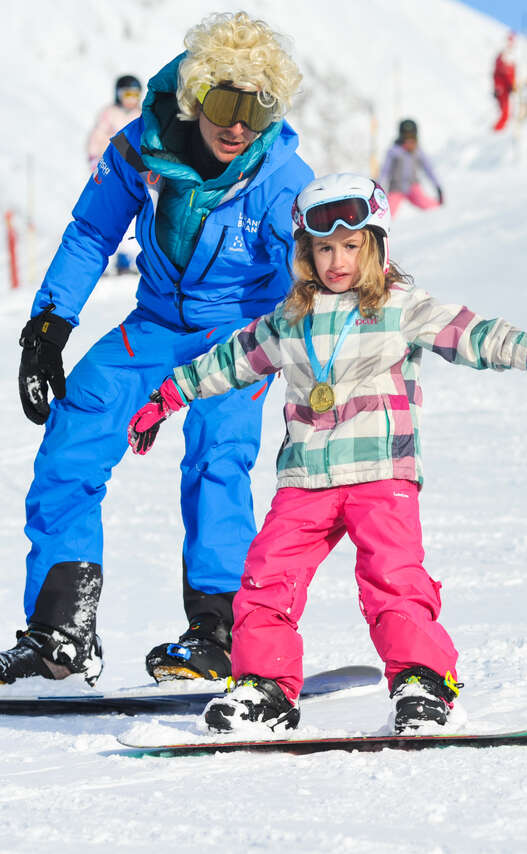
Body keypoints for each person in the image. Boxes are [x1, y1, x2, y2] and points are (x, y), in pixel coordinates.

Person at [127, 173, 527, 735]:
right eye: (324, 248)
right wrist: (167, 396)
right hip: (305, 477)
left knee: (392, 578)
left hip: (380, 472)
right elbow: (229, 360)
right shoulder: (289, 320)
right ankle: (263, 688)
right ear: (306, 253)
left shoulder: (401, 307)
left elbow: (476, 335)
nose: (338, 261)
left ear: (374, 245)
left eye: (350, 246)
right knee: (266, 576)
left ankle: (423, 682)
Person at [1, 12, 313, 688]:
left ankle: (219, 629)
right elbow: (92, 232)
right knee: (74, 433)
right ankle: (60, 632)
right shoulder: (141, 147)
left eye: (257, 111)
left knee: (219, 452)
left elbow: (310, 276)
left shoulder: (282, 178)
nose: (239, 127)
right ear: (196, 96)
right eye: (225, 105)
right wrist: (49, 325)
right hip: (156, 321)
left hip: (238, 328)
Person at [87, 75, 143, 275]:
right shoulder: (109, 114)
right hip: (112, 169)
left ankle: (125, 258)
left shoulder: (141, 115)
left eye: (134, 95)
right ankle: (96, 258)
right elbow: (97, 138)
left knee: (132, 214)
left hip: (133, 171)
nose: (130, 99)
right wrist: (95, 161)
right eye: (126, 94)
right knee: (108, 213)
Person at [378, 119, 443, 218]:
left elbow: (429, 169)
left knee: (432, 207)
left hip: (412, 186)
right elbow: (384, 171)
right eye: (406, 137)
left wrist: (438, 186)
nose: (409, 141)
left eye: (411, 137)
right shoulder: (394, 151)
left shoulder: (417, 151)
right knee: (386, 214)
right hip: (396, 188)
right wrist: (378, 187)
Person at [493, 32, 516, 131]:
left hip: (507, 88)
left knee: (508, 111)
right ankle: (497, 130)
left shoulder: (511, 59)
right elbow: (499, 74)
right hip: (503, 89)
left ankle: (500, 129)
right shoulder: (502, 58)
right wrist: (498, 87)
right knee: (504, 111)